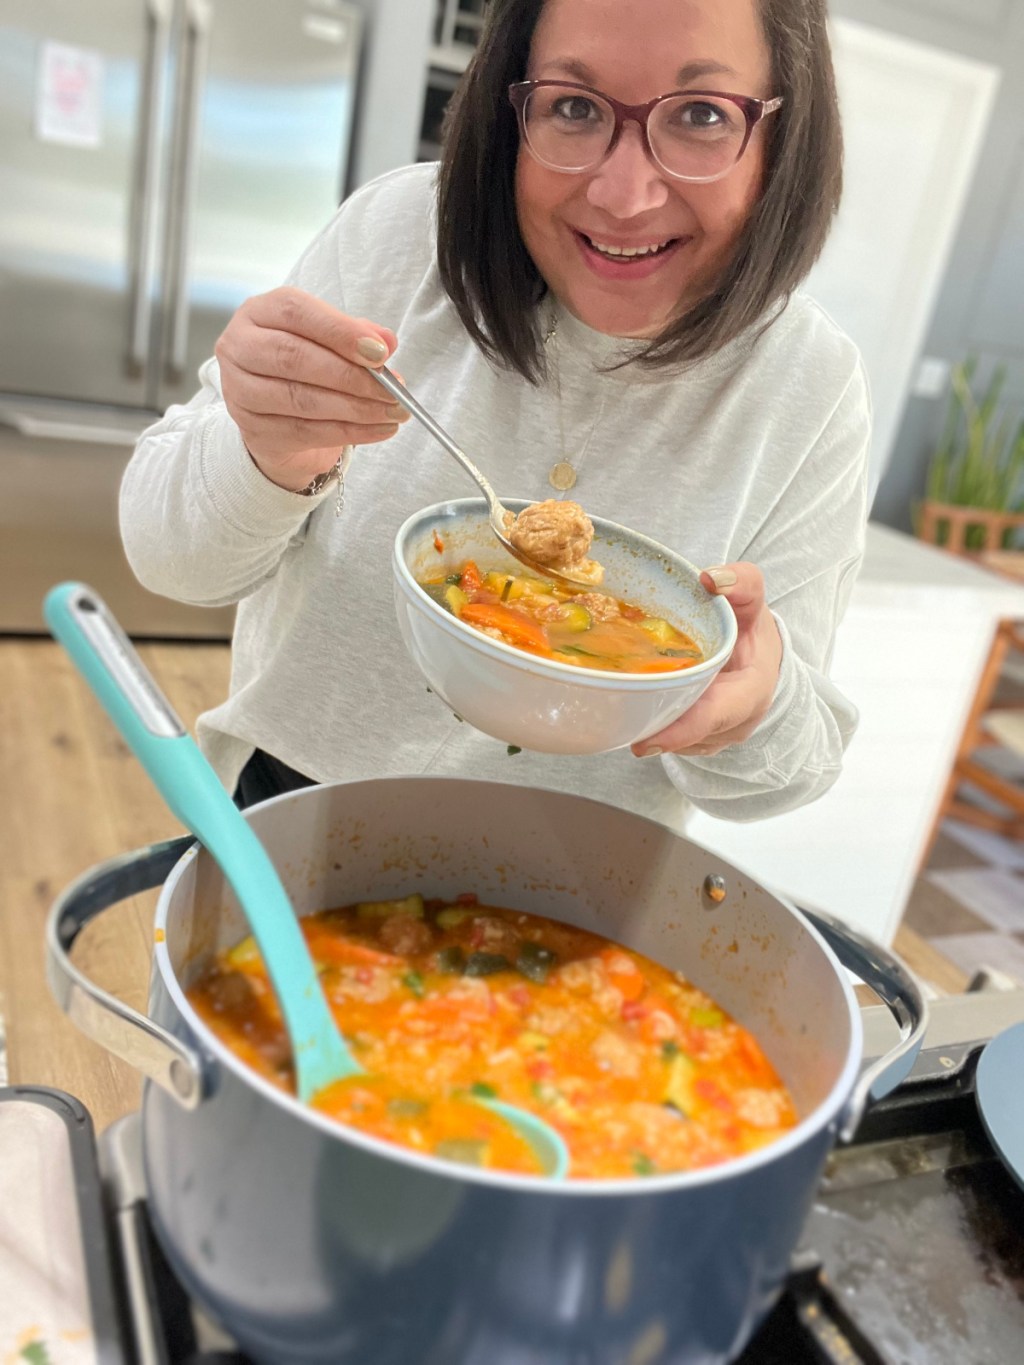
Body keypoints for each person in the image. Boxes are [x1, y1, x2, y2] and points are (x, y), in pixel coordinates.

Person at [120, 0, 870, 829]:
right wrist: (266, 456)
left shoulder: (812, 384)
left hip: (580, 898)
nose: (624, 195)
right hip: (282, 822)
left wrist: (754, 703)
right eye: (574, 108)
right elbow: (170, 560)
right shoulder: (398, 239)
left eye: (700, 116)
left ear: (784, 137)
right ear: (510, 108)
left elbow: (795, 771)